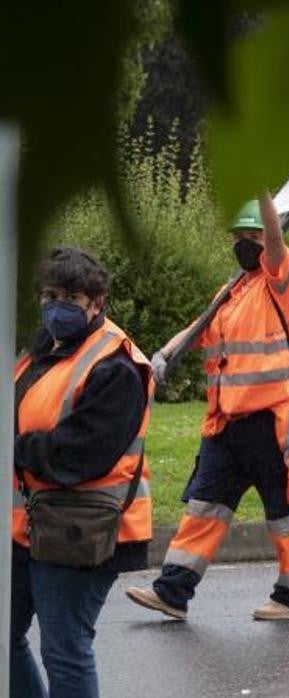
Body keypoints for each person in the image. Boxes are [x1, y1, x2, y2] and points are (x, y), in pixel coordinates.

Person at [127, 193, 289, 621]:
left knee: (283, 515)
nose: (245, 243)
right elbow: (200, 327)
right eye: (239, 237)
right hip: (226, 423)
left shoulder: (281, 280)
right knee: (205, 505)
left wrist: (264, 194)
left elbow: (274, 239)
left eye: (252, 235)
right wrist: (161, 356)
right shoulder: (233, 290)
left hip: (271, 420)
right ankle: (172, 591)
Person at [12, 247, 154, 697]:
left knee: (65, 648)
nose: (57, 306)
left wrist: (11, 450)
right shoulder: (39, 352)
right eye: (49, 294)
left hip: (82, 529)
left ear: (97, 302)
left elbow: (78, 456)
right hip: (27, 527)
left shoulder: (117, 365)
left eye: (70, 297)